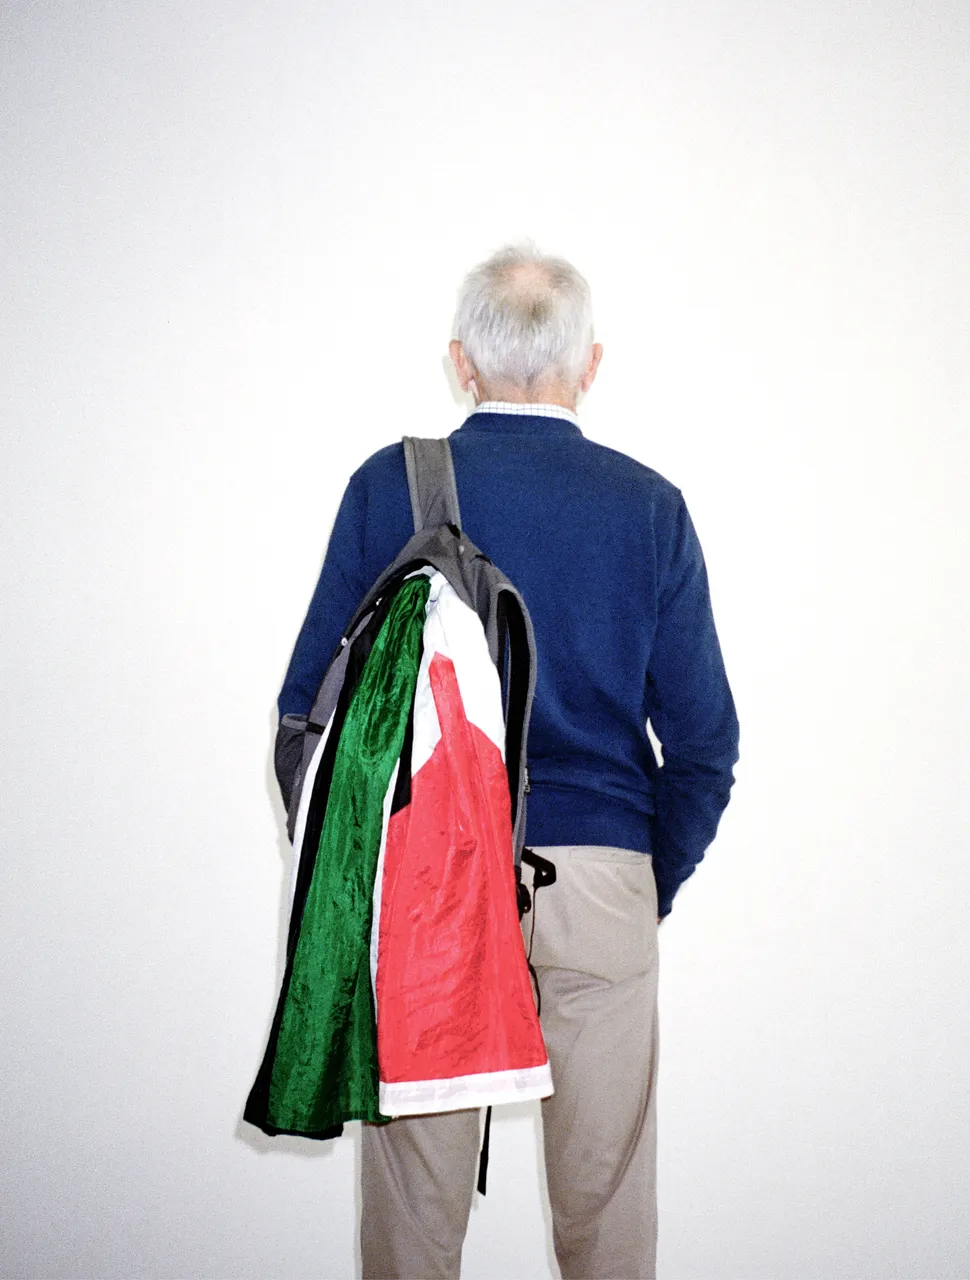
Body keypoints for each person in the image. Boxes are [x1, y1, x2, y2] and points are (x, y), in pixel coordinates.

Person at [276, 244, 739, 1279]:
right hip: (600, 874)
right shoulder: (648, 506)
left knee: (414, 1205)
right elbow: (706, 743)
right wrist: (638, 874)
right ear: (591, 364)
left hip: (430, 881)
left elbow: (304, 713)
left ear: (462, 361)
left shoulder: (389, 486)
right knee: (606, 1200)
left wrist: (372, 867)